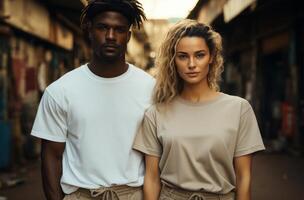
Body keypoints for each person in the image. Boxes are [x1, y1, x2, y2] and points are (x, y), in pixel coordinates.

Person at [31, 0, 155, 199]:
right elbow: (51, 157)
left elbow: (156, 157)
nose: (111, 36)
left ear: (129, 36)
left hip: (133, 194)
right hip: (81, 194)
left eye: (119, 29)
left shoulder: (151, 89)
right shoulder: (60, 91)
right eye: (102, 27)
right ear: (89, 31)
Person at [133, 19, 265, 200]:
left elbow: (244, 177)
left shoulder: (239, 109)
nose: (192, 64)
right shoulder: (155, 114)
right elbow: (152, 179)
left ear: (211, 57)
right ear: (173, 61)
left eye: (199, 55)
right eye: (183, 56)